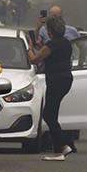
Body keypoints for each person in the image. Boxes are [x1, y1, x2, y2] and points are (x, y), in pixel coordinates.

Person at [27, 13, 75, 161]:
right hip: (66, 79)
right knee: (52, 114)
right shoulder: (66, 43)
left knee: (48, 114)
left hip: (56, 80)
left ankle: (63, 147)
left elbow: (35, 59)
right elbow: (46, 51)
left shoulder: (52, 45)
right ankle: (61, 146)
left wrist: (28, 47)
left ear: (50, 31)